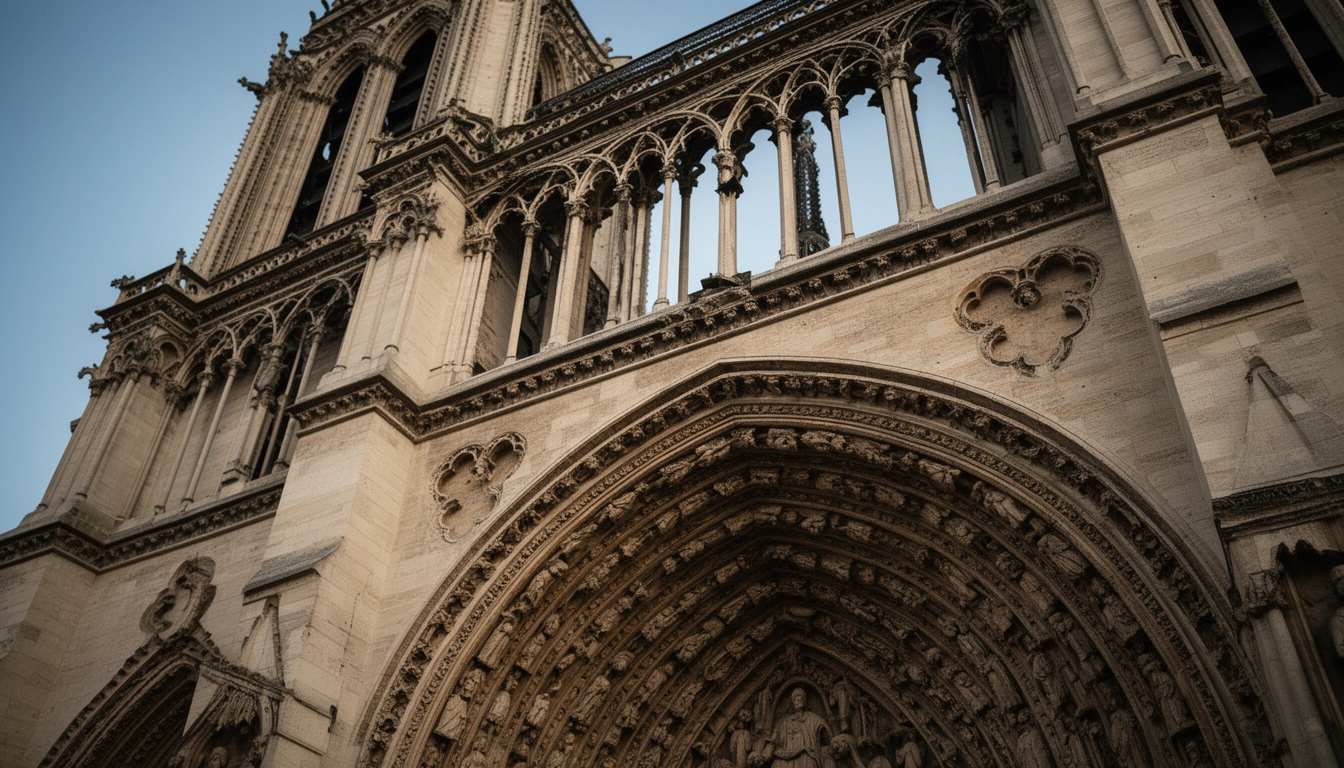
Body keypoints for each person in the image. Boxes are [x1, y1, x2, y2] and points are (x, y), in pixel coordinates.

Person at [753, 688, 832, 768]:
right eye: (796, 700)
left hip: (805, 754)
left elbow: (827, 735)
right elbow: (773, 742)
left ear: (804, 702)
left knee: (808, 762)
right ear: (792, 703)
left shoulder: (813, 718)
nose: (798, 702)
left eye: (800, 699)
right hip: (786, 755)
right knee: (776, 764)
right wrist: (763, 756)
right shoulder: (784, 721)